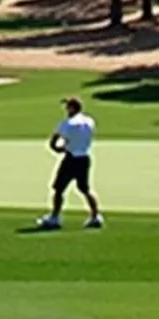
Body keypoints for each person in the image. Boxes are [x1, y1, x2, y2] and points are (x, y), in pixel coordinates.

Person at [37, 96, 104, 230]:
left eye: (68, 107)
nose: (66, 109)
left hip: (71, 158)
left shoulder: (67, 123)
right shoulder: (89, 121)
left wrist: (59, 148)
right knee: (85, 189)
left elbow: (54, 143)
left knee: (58, 189)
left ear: (72, 108)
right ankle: (96, 216)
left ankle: (55, 218)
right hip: (84, 158)